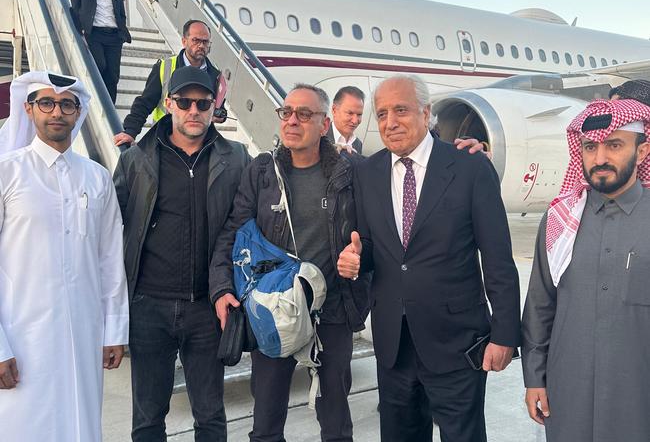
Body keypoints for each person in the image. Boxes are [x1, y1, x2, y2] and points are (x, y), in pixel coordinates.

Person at [337, 74, 521, 442]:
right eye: (383, 112)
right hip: (394, 345)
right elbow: (372, 246)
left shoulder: (469, 167)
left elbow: (498, 257)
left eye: (401, 110)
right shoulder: (368, 173)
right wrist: (356, 258)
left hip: (456, 343)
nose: (391, 122)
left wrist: (505, 336)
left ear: (426, 112)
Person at [211, 83, 371, 442]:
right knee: (265, 423)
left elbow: (376, 232)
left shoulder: (351, 173)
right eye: (286, 112)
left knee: (336, 422)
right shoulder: (262, 171)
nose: (292, 121)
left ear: (324, 124)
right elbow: (233, 232)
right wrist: (221, 288)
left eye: (304, 114)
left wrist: (359, 259)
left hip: (331, 313)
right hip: (274, 310)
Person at [113, 65, 250, 441]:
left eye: (202, 103)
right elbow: (108, 232)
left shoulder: (237, 158)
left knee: (209, 416)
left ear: (213, 108)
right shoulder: (136, 159)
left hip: (208, 308)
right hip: (149, 308)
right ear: (169, 104)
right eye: (185, 102)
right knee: (147, 418)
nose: (194, 111)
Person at [0, 71, 129, 441]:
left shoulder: (97, 177)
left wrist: (114, 330)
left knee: (80, 424)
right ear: (29, 109)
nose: (56, 112)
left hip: (83, 334)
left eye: (66, 104)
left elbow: (109, 258)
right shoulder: (7, 172)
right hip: (22, 336)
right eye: (46, 102)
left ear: (78, 112)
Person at [521, 98, 650, 442]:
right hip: (568, 397)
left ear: (642, 151)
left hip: (638, 400)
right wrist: (534, 378)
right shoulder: (559, 221)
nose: (600, 158)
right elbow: (539, 306)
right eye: (590, 146)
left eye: (614, 145)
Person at [113, 19, 227, 147]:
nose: (201, 45)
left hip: (199, 144)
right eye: (196, 40)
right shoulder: (164, 67)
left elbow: (220, 107)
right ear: (184, 41)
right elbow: (145, 103)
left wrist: (221, 115)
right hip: (164, 141)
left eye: (205, 41)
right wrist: (130, 132)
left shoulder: (215, 75)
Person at [70, 0, 131, 103]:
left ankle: (110, 108)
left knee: (113, 75)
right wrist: (81, 30)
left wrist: (121, 31)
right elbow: (75, 8)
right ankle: (92, 101)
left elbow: (121, 13)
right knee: (99, 65)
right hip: (94, 33)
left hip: (114, 36)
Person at [327, 86, 365, 154]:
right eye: (350, 113)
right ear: (334, 110)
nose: (355, 121)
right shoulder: (318, 140)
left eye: (359, 115)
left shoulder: (357, 144)